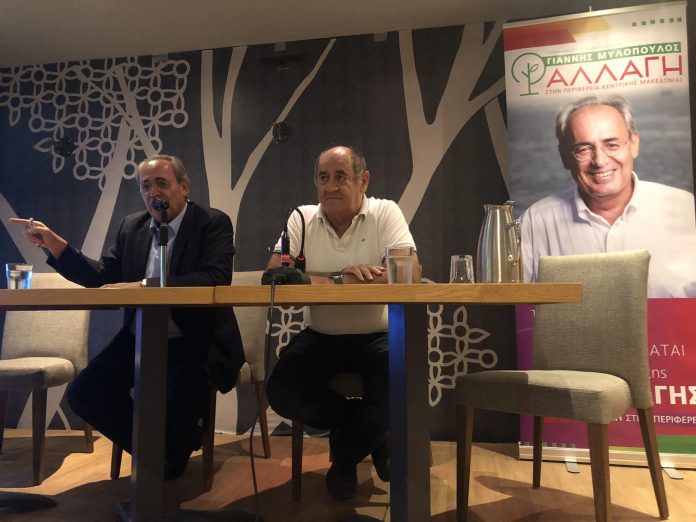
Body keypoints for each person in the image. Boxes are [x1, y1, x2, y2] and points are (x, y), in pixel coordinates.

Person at [10, 154, 244, 479]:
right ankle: (165, 450)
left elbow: (214, 277)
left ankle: (167, 452)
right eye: (145, 186)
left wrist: (144, 285)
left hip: (196, 341)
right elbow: (102, 277)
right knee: (85, 393)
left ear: (183, 187)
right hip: (141, 340)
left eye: (161, 183)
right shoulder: (132, 226)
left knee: (174, 400)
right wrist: (57, 246)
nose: (153, 192)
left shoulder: (212, 222)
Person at [265, 145, 418, 500]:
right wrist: (341, 277)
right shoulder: (301, 218)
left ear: (363, 181)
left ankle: (346, 459)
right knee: (282, 392)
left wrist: (316, 280)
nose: (330, 186)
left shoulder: (385, 212)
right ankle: (373, 436)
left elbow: (409, 271)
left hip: (379, 335)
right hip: (322, 335)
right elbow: (276, 276)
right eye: (323, 178)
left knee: (397, 383)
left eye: (340, 177)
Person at [521, 94, 696, 297]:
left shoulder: (687, 209)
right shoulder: (535, 223)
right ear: (564, 156)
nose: (599, 161)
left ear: (634, 144)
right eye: (583, 149)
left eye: (612, 145)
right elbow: (516, 307)